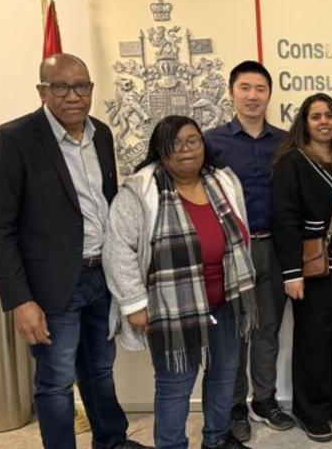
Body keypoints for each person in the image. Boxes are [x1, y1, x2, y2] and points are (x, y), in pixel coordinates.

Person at [0, 53, 148, 449]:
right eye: (60, 87)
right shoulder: (14, 139)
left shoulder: (102, 134)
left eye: (81, 86)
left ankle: (111, 440)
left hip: (100, 276)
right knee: (56, 382)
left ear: (91, 89)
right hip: (52, 286)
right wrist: (20, 299)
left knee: (101, 370)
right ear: (42, 91)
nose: (73, 96)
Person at [103, 115, 257, 449]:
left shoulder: (223, 182)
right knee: (176, 384)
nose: (186, 150)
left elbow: (240, 235)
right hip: (174, 309)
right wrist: (134, 303)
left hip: (227, 300)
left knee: (224, 376)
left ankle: (216, 440)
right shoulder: (141, 191)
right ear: (160, 149)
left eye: (193, 141)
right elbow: (118, 250)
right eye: (175, 143)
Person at [204, 60, 295, 441]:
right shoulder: (212, 141)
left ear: (269, 94)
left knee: (268, 330)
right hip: (229, 252)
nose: (252, 95)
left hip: (273, 248)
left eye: (260, 88)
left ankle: (265, 399)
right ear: (232, 92)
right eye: (245, 87)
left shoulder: (287, 141)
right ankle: (236, 404)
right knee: (234, 332)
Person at [271, 93, 332, 443]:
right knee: (314, 340)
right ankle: (313, 411)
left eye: (329, 115)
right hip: (311, 271)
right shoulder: (291, 162)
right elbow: (285, 220)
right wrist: (291, 273)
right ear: (305, 123)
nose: (323, 121)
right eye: (315, 117)